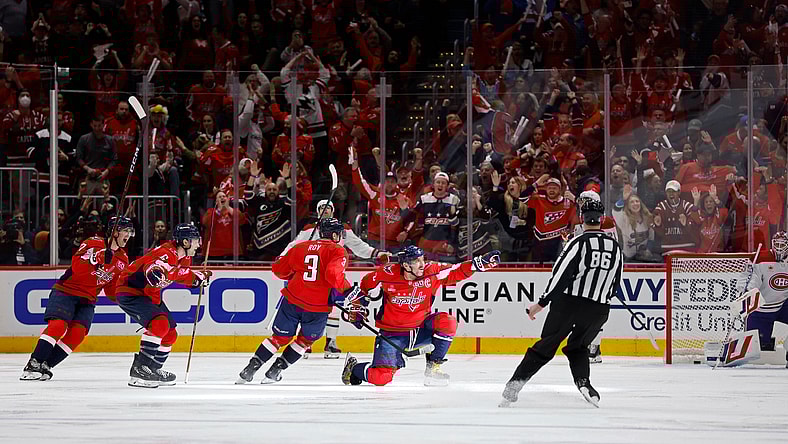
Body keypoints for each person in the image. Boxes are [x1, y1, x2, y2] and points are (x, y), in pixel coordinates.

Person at [500, 200, 624, 408]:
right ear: (601, 220)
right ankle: (584, 382)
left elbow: (560, 276)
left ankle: (514, 385)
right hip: (599, 309)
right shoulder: (615, 247)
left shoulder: (577, 243)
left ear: (582, 219)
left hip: (569, 304)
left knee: (546, 346)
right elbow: (616, 283)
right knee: (579, 347)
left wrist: (541, 303)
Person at [341, 246, 501, 387]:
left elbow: (456, 270)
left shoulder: (431, 272)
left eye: (422, 259)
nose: (422, 264)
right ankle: (353, 368)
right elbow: (365, 286)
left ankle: (433, 367)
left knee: (448, 322)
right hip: (392, 334)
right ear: (405, 265)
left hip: (420, 330)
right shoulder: (387, 273)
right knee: (381, 378)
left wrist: (479, 263)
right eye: (416, 261)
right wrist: (359, 308)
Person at [236, 218, 355, 384]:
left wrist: (292, 273)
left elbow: (279, 270)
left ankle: (249, 369)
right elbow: (333, 275)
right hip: (317, 307)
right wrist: (349, 290)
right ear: (335, 234)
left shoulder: (301, 247)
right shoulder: (338, 251)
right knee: (305, 340)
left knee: (278, 338)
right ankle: (274, 371)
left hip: (292, 299)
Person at [20, 216, 133, 380]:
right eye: (125, 231)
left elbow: (110, 287)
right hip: (67, 291)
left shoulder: (123, 259)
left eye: (130, 231)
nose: (128, 235)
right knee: (58, 325)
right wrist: (97, 258)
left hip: (88, 299)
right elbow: (77, 267)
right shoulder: (93, 243)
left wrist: (123, 297)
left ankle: (46, 365)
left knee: (78, 334)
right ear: (115, 232)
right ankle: (34, 363)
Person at [280, 200, 390, 358]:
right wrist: (282, 257)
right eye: (322, 209)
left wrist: (376, 253)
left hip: (333, 277)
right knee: (307, 309)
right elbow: (294, 246)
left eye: (328, 209)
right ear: (318, 212)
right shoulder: (310, 229)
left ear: (332, 211)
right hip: (313, 280)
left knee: (335, 308)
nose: (325, 212)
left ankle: (330, 343)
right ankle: (304, 343)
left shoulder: (342, 230)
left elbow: (358, 246)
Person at [115, 223, 211, 388]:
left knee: (170, 334)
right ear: (186, 242)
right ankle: (139, 371)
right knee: (160, 324)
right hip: (131, 291)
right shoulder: (165, 253)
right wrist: (191, 276)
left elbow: (180, 276)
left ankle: (153, 369)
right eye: (196, 240)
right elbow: (154, 273)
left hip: (150, 294)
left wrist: (198, 280)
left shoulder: (185, 257)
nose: (199, 244)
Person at [570, 190, 617, 364]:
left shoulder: (606, 221)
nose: (581, 204)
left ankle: (594, 348)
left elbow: (612, 247)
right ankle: (589, 346)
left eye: (584, 201)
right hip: (584, 274)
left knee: (596, 312)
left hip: (601, 273)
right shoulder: (579, 220)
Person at [739, 232, 788, 366]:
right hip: (762, 307)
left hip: (783, 305)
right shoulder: (760, 257)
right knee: (759, 346)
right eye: (776, 244)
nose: (779, 248)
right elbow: (748, 278)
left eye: (782, 245)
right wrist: (749, 289)